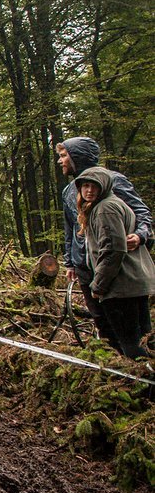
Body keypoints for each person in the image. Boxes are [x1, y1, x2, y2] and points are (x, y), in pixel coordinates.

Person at [57, 137, 152, 346]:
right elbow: (71, 227)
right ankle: (116, 369)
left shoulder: (114, 180)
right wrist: (70, 262)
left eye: (64, 156)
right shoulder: (69, 191)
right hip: (84, 266)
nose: (60, 161)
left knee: (136, 329)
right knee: (104, 324)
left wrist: (140, 235)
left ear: (77, 156)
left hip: (116, 266)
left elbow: (142, 213)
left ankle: (141, 367)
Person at [74, 167, 155, 359]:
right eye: (85, 186)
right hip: (134, 283)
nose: (89, 191)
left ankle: (141, 383)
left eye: (95, 186)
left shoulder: (105, 208)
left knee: (130, 343)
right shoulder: (113, 204)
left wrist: (99, 285)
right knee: (146, 339)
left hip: (121, 287)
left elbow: (113, 251)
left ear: (105, 186)